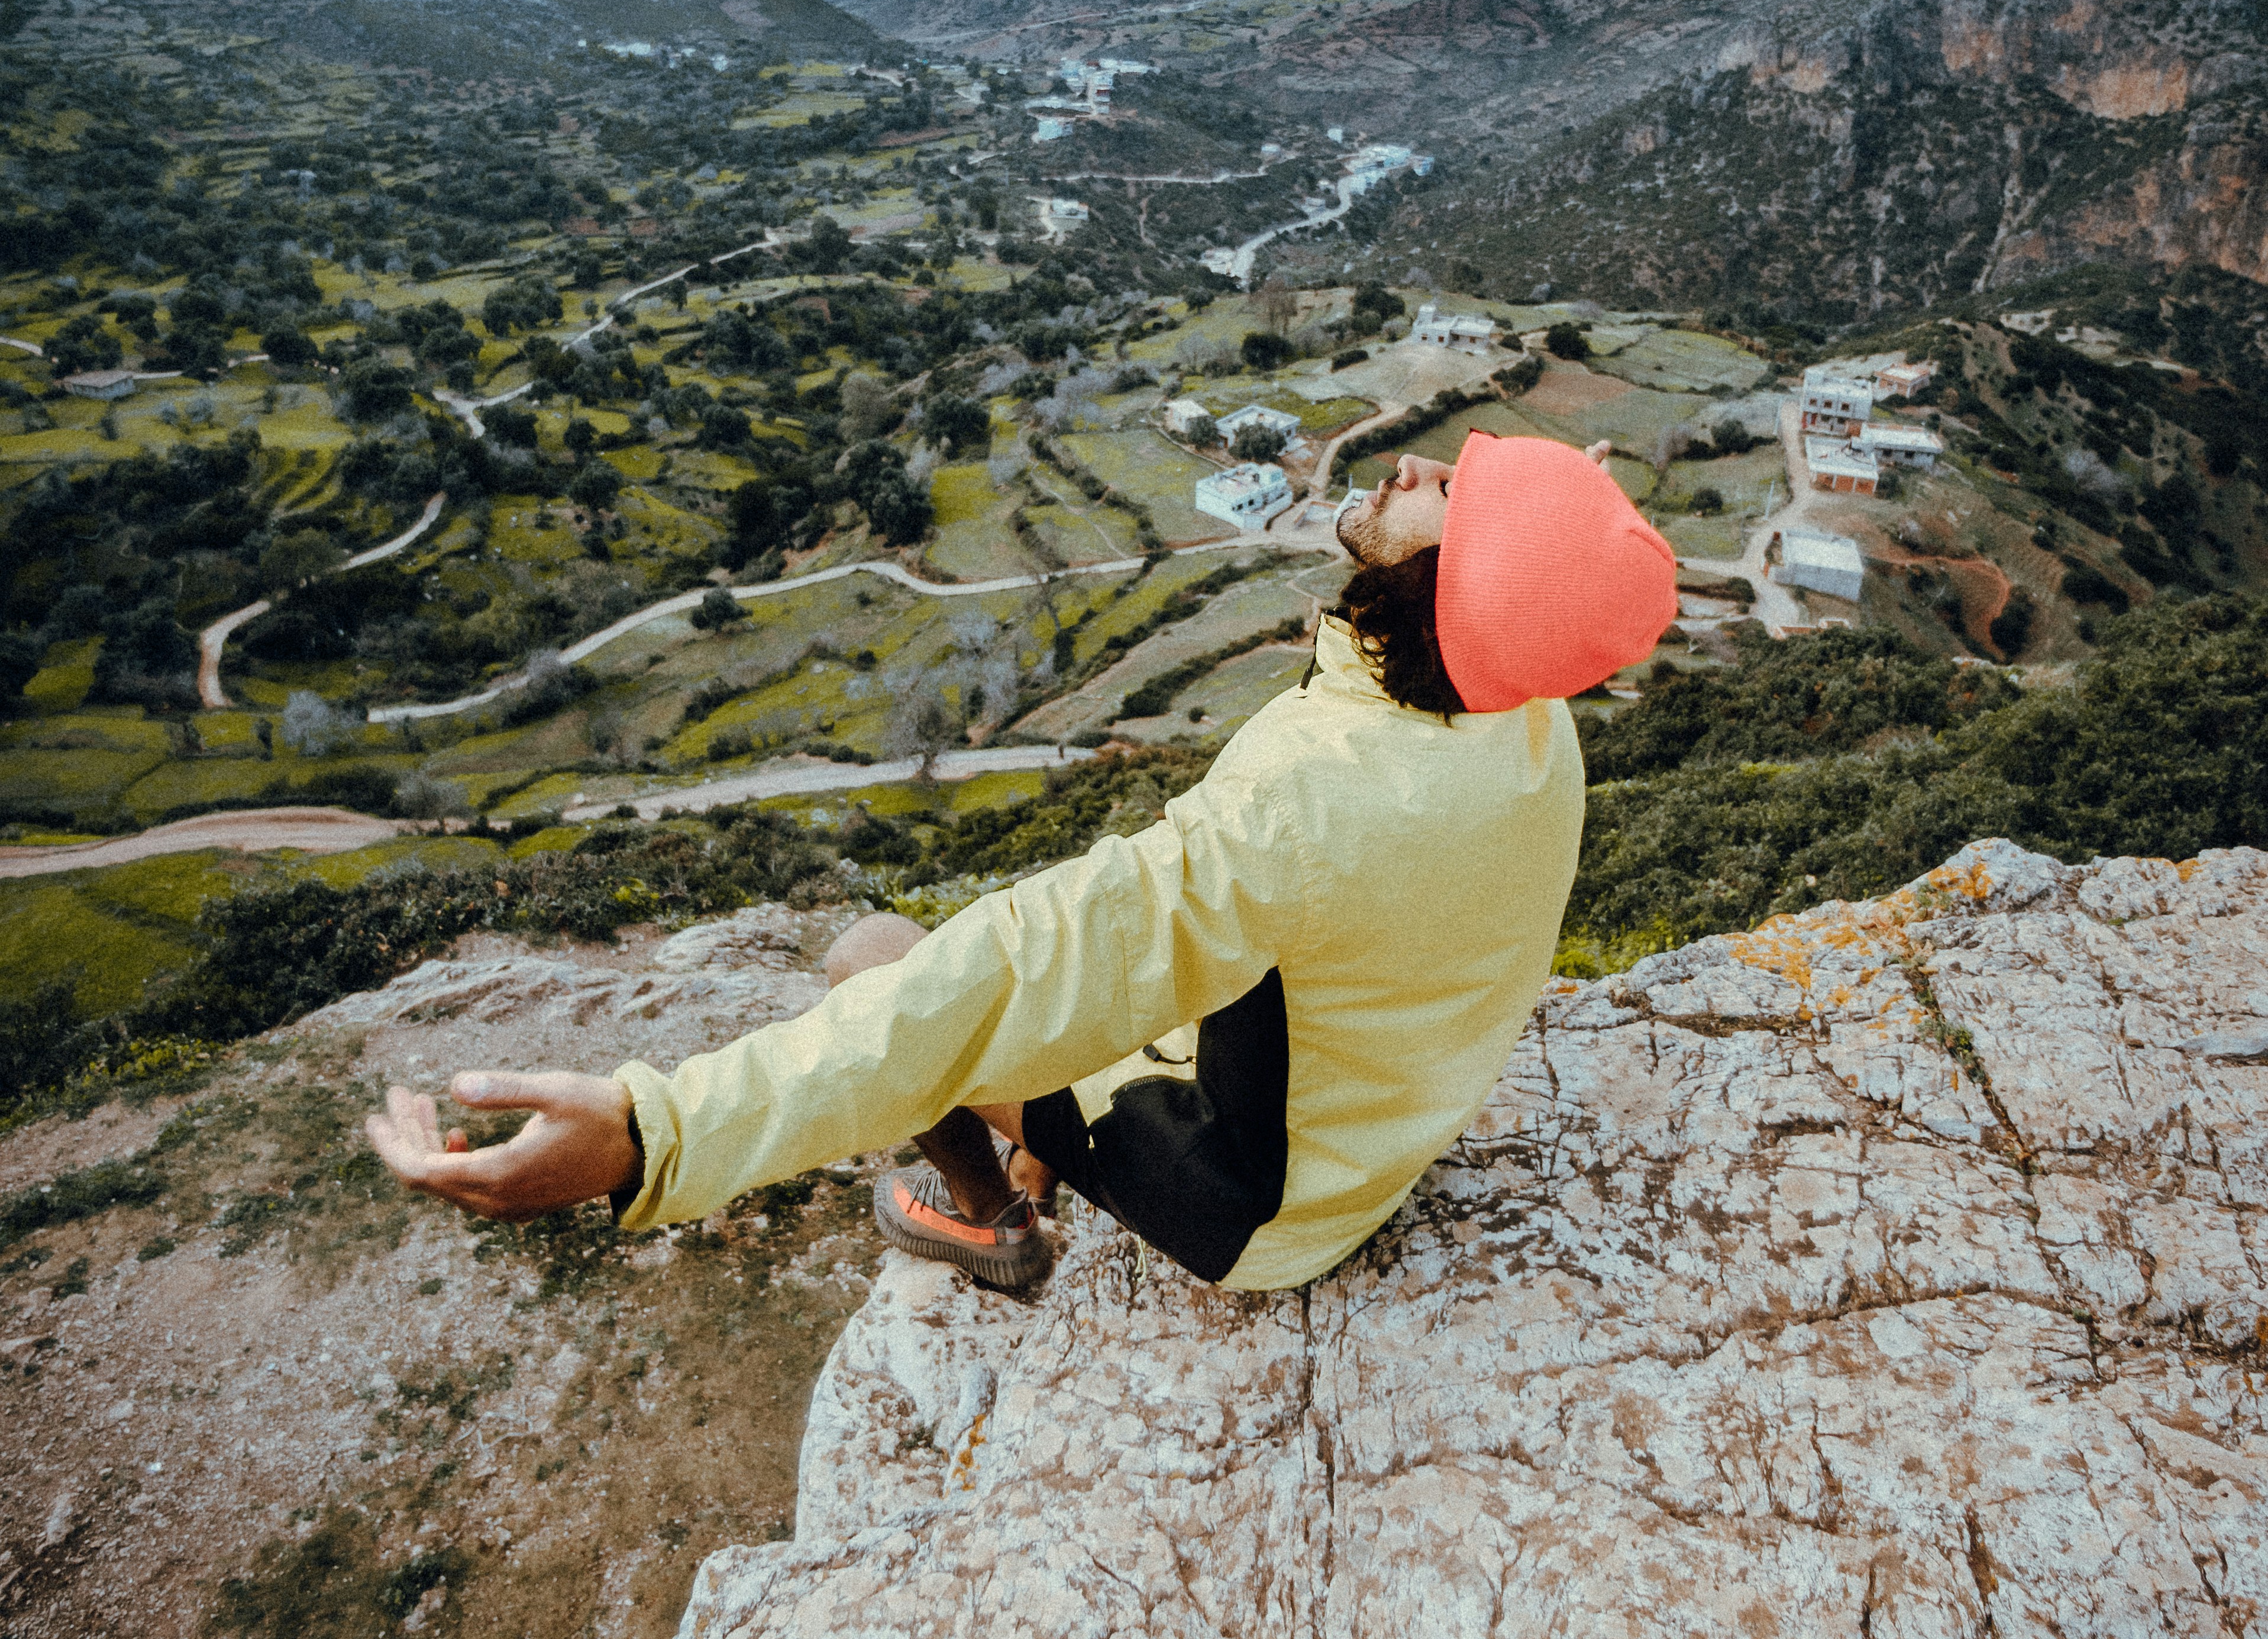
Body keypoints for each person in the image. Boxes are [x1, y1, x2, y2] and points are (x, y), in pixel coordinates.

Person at [367, 435, 1676, 1295]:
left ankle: (994, 1222)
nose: (1413, 461)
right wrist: (1558, 528)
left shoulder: (1309, 806)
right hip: (1379, 1125)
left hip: (1268, 1207)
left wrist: (656, 1129)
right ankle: (1044, 1148)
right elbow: (1530, 608)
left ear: (1448, 576)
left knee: (873, 961)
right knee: (1032, 999)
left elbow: (1000, 977)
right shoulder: (1529, 713)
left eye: (1452, 487)